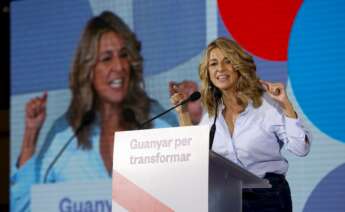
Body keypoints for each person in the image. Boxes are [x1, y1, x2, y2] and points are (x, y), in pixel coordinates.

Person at [11, 11, 171, 212]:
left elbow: (193, 187)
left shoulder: (156, 120)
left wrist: (196, 120)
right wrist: (30, 135)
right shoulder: (65, 135)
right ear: (88, 69)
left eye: (123, 55)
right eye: (106, 58)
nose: (119, 66)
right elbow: (23, 207)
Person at [170, 37, 311, 212]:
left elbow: (300, 148)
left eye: (227, 61)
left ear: (238, 65)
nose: (220, 69)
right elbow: (193, 155)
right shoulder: (211, 117)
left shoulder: (266, 104)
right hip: (229, 199)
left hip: (269, 198)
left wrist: (285, 104)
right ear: (207, 72)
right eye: (213, 64)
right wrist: (183, 113)